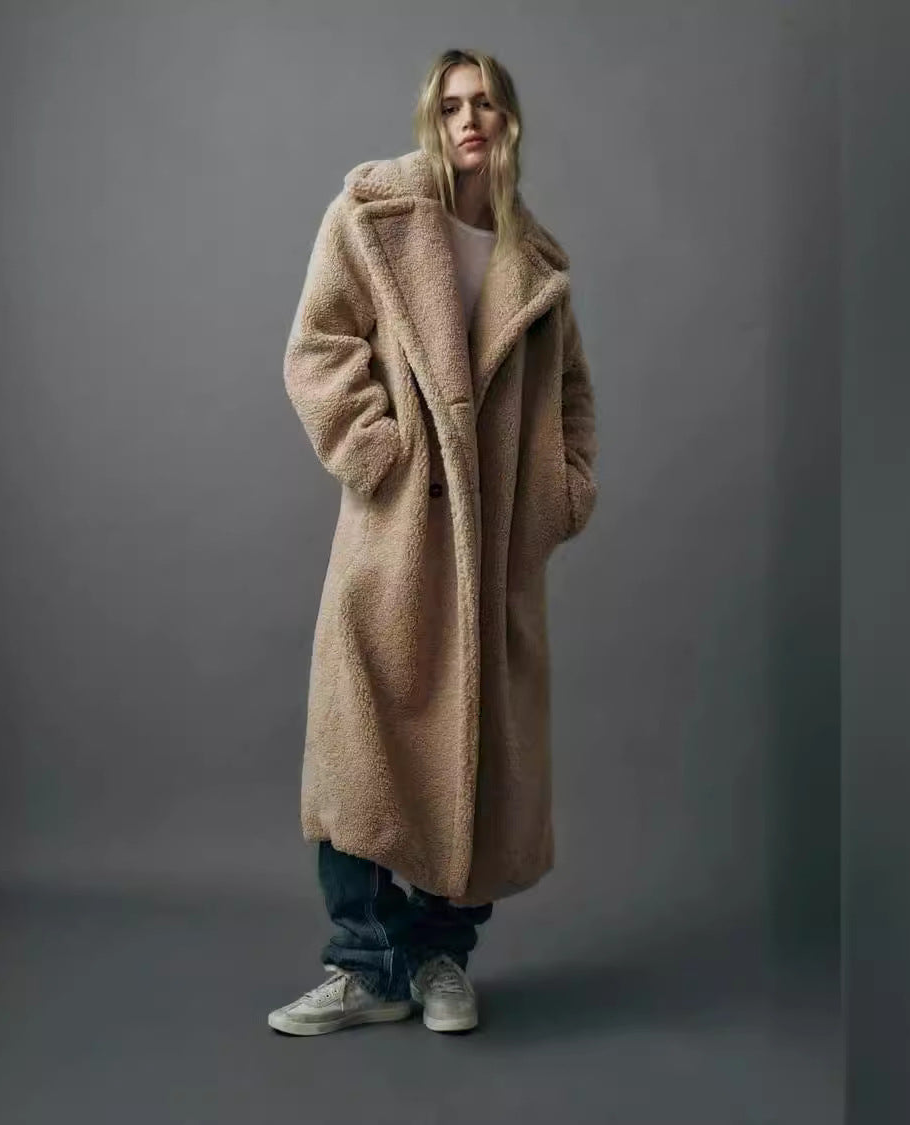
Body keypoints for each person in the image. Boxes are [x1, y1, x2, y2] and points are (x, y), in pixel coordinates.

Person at [270, 48, 599, 1036]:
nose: (468, 119)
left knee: (480, 760)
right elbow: (318, 346)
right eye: (452, 104)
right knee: (359, 753)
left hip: (493, 555)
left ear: (508, 123)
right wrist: (378, 453)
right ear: (432, 118)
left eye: (485, 103)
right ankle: (366, 966)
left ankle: (441, 957)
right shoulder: (370, 218)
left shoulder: (535, 263)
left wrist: (560, 494)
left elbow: (571, 394)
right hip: (395, 541)